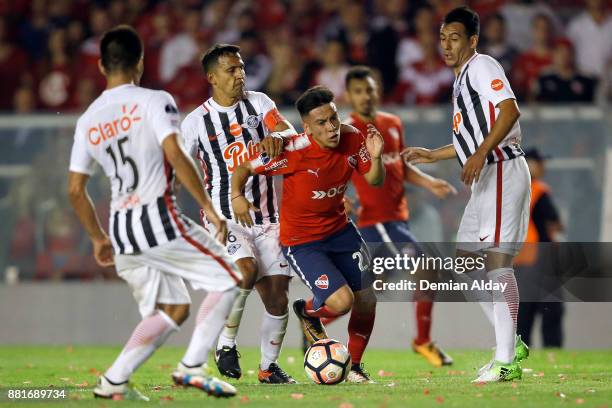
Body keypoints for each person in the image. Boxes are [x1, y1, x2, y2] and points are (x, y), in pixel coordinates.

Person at [67, 25, 240, 400]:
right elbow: (176, 153)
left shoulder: (88, 120)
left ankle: (113, 381)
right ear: (140, 63)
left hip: (121, 229)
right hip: (156, 218)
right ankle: (192, 366)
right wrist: (210, 208)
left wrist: (98, 237)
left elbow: (75, 190)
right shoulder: (153, 100)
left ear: (101, 66)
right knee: (229, 278)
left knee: (172, 308)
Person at [403, 7, 531, 382]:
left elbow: (510, 112)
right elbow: (471, 138)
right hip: (488, 175)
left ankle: (506, 360)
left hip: (503, 168)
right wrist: (433, 154)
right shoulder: (461, 79)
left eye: (454, 37)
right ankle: (512, 341)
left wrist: (479, 154)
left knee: (496, 262)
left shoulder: (482, 66)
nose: (446, 45)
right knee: (466, 266)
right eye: (442, 38)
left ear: (472, 40)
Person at [231, 85, 385, 383]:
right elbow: (243, 168)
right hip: (303, 242)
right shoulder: (293, 151)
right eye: (321, 123)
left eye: (333, 119)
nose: (331, 128)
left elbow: (375, 181)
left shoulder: (353, 137)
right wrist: (238, 195)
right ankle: (308, 310)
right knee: (342, 303)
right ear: (307, 128)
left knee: (367, 298)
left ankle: (354, 366)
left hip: (341, 231)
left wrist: (376, 157)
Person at [181, 43, 296, 384]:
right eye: (231, 70)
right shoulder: (196, 122)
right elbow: (180, 167)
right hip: (224, 215)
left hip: (267, 218)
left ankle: (268, 366)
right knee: (244, 271)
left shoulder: (259, 104)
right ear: (212, 78)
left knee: (278, 296)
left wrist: (278, 139)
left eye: (242, 67)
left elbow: (288, 130)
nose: (240, 74)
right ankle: (226, 344)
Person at [343, 65, 456, 367]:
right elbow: (330, 170)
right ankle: (422, 340)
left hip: (396, 221)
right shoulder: (346, 131)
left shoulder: (391, 123)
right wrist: (340, 196)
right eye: (358, 91)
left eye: (369, 89)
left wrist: (429, 182)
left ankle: (314, 317)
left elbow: (399, 167)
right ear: (348, 96)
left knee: (361, 294)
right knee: (426, 267)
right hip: (375, 221)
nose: (365, 96)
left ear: (377, 90)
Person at [514, 148, 564, 348]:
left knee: (523, 312)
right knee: (551, 309)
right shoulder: (538, 190)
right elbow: (554, 223)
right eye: (539, 162)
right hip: (539, 259)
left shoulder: (512, 189)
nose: (543, 166)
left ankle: (518, 352)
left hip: (521, 259)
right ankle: (552, 350)